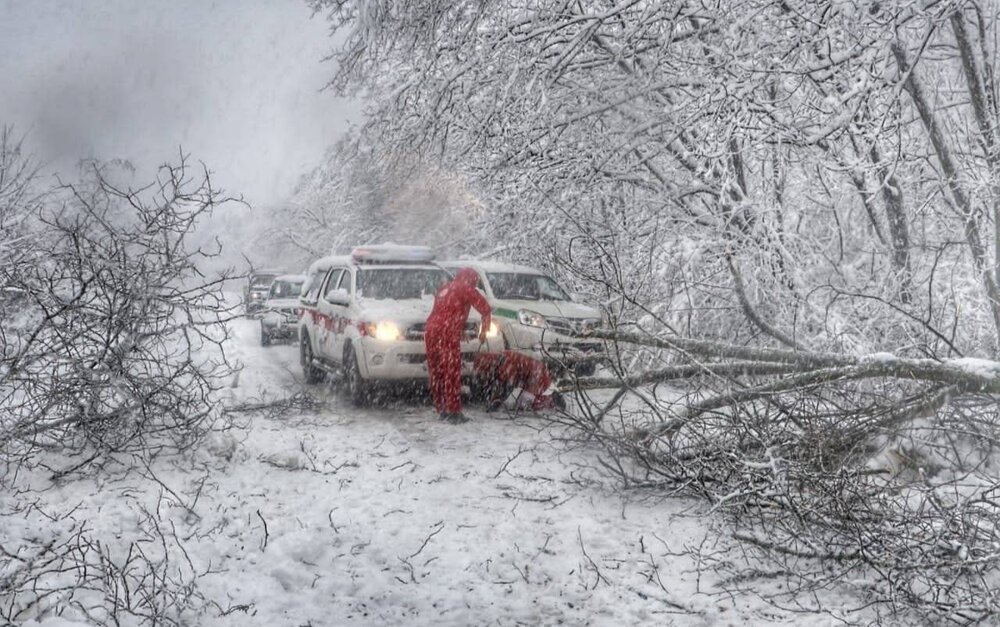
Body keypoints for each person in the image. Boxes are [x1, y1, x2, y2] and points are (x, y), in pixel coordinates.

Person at [425, 268, 492, 423]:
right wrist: (484, 331)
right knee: (451, 371)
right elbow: (486, 310)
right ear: (472, 280)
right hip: (447, 332)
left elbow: (446, 311)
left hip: (431, 331)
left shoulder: (445, 288)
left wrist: (459, 328)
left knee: (437, 371)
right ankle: (454, 412)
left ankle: (441, 409)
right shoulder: (466, 288)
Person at [473, 350, 566, 411]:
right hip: (536, 374)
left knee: (524, 404)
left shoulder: (507, 363)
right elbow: (505, 384)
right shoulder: (505, 359)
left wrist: (496, 401)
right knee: (524, 403)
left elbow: (506, 385)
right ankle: (550, 400)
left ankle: (551, 400)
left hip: (536, 376)